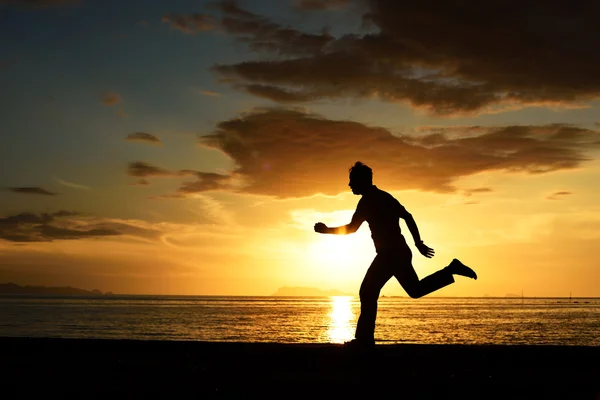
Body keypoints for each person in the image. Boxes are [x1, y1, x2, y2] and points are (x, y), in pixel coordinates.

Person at [314, 161, 477, 348]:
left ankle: (364, 340)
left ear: (363, 180)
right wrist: (418, 243)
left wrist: (326, 230)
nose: (349, 185)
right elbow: (407, 216)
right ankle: (451, 269)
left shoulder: (368, 201)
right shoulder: (385, 197)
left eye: (352, 181)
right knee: (414, 290)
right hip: (400, 252)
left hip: (390, 254)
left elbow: (351, 229)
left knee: (367, 291)